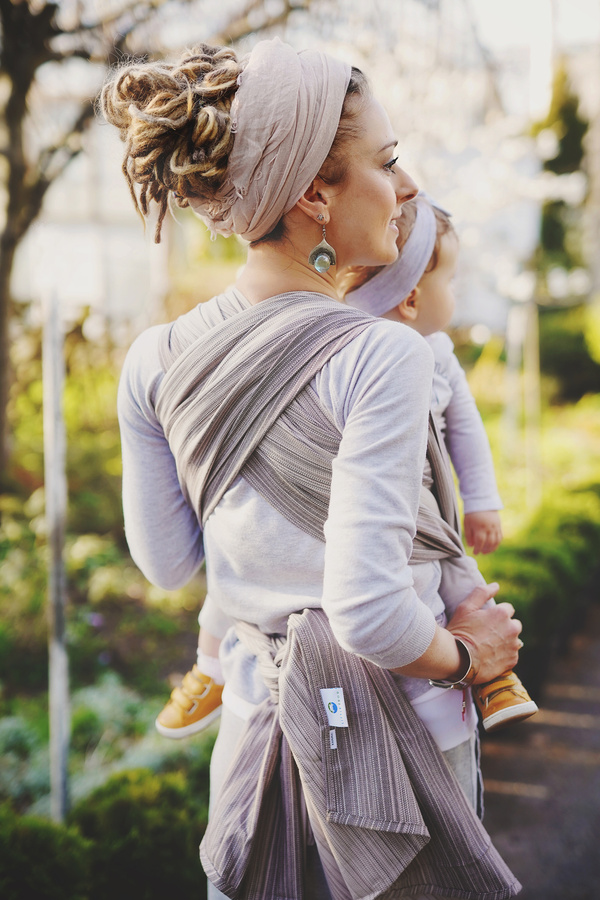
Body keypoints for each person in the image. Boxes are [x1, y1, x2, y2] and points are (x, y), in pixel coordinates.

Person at [102, 38, 523, 899]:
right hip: (404, 744)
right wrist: (469, 657)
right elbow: (369, 611)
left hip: (257, 728)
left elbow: (168, 566)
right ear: (312, 195)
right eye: (388, 160)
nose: (407, 188)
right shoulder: (380, 355)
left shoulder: (156, 359)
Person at [345, 192, 538, 732]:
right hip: (364, 511)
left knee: (465, 583)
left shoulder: (439, 352)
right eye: (449, 284)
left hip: (428, 517)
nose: (454, 296)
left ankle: (495, 678)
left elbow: (466, 427)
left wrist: (480, 502)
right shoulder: (345, 348)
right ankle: (214, 662)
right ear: (410, 298)